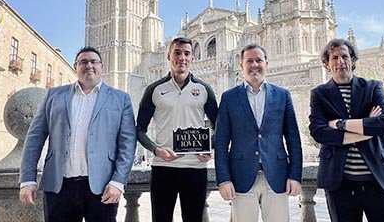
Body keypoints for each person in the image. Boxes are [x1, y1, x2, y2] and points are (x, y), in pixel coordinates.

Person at [19, 47, 136, 222]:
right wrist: (27, 179)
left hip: (103, 187)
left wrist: (118, 181)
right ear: (76, 67)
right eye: (83, 62)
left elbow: (128, 144)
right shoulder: (53, 95)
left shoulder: (121, 98)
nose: (89, 65)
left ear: (101, 66)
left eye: (93, 61)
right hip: (59, 187)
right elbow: (34, 138)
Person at [309, 38, 384, 222]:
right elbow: (318, 132)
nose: (340, 62)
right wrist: (368, 127)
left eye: (345, 56)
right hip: (341, 184)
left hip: (378, 180)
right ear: (327, 64)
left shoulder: (373, 87)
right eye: (334, 58)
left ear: (352, 60)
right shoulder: (319, 94)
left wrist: (340, 124)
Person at [214, 44, 303, 221]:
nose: (254, 65)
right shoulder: (228, 97)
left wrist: (295, 175)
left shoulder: (283, 95)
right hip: (241, 177)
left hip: (277, 177)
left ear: (266, 64)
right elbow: (221, 142)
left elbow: (293, 139)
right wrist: (223, 179)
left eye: (258, 60)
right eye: (249, 61)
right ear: (242, 66)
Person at [136, 37, 218, 222]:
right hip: (163, 168)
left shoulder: (204, 89)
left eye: (187, 53)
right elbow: (139, 129)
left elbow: (219, 126)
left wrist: (209, 147)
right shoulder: (154, 89)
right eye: (177, 52)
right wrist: (156, 149)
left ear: (192, 58)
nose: (182, 57)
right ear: (168, 56)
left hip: (195, 167)